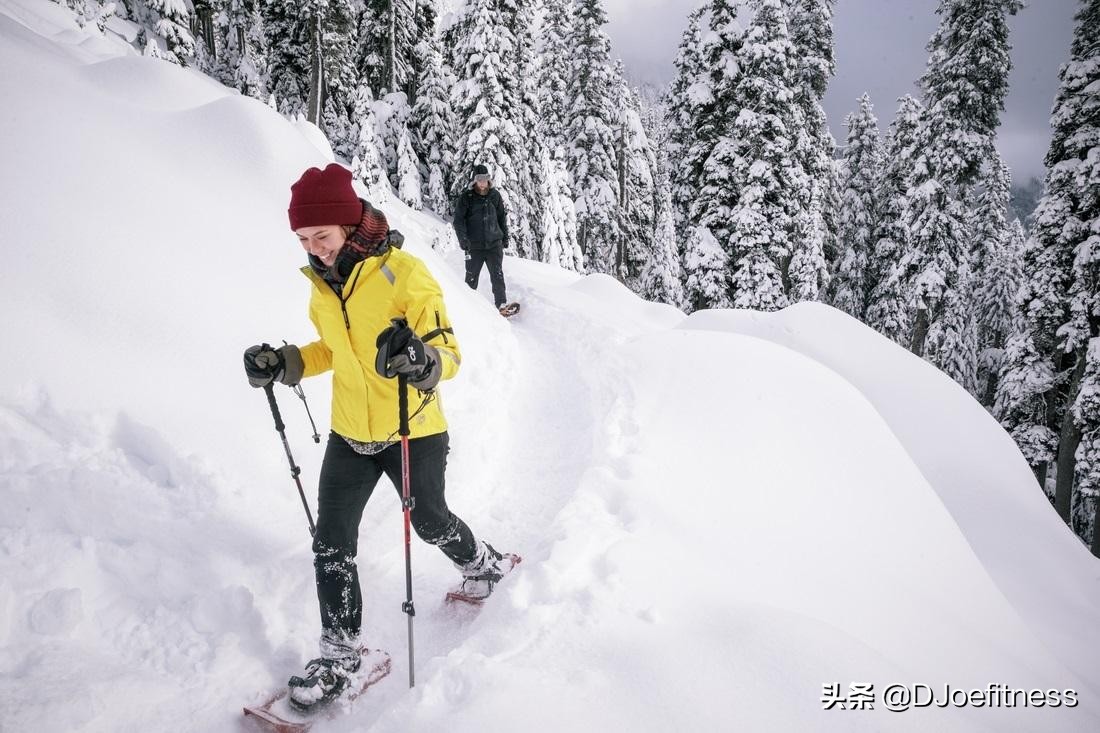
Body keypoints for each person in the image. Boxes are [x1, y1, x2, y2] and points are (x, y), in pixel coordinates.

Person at [242, 163, 513, 710]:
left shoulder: (405, 274)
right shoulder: (322, 287)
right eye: (303, 238)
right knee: (331, 541)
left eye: (321, 235)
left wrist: (420, 360)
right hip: (350, 431)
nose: (313, 248)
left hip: (412, 427)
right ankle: (343, 654)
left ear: (349, 224)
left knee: (429, 517)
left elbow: (449, 355)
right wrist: (287, 362)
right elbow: (332, 351)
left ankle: (482, 561)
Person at [453, 163, 516, 316]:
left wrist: (504, 237)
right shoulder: (467, 197)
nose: (482, 182)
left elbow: (501, 217)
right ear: (475, 181)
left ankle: (501, 306)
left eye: (485, 179)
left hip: (494, 244)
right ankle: (467, 308)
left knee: (497, 275)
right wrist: (463, 239)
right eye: (479, 179)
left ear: (489, 180)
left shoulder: (495, 196)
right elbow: (459, 221)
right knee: (471, 278)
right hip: (474, 246)